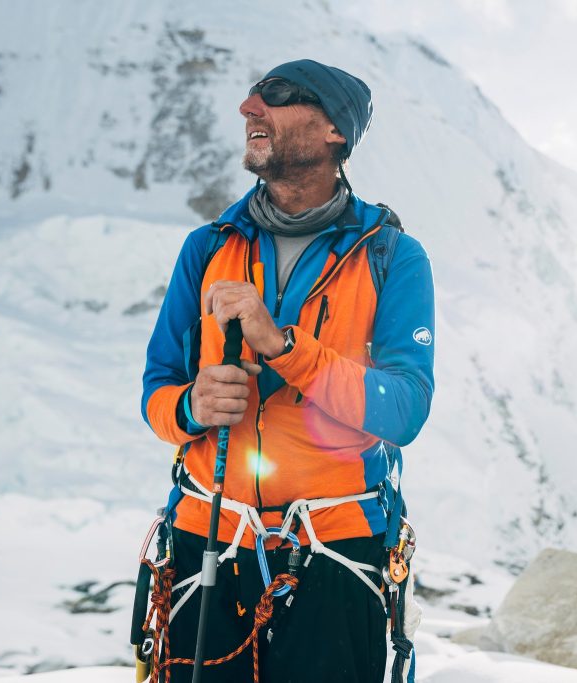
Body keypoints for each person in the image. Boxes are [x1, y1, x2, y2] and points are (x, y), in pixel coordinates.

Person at [141, 58, 435, 682]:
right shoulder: (208, 246)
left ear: (335, 130)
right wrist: (193, 405)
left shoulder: (391, 257)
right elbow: (157, 395)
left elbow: (404, 408)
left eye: (276, 96)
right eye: (252, 98)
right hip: (207, 538)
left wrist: (284, 348)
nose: (250, 108)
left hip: (336, 550)